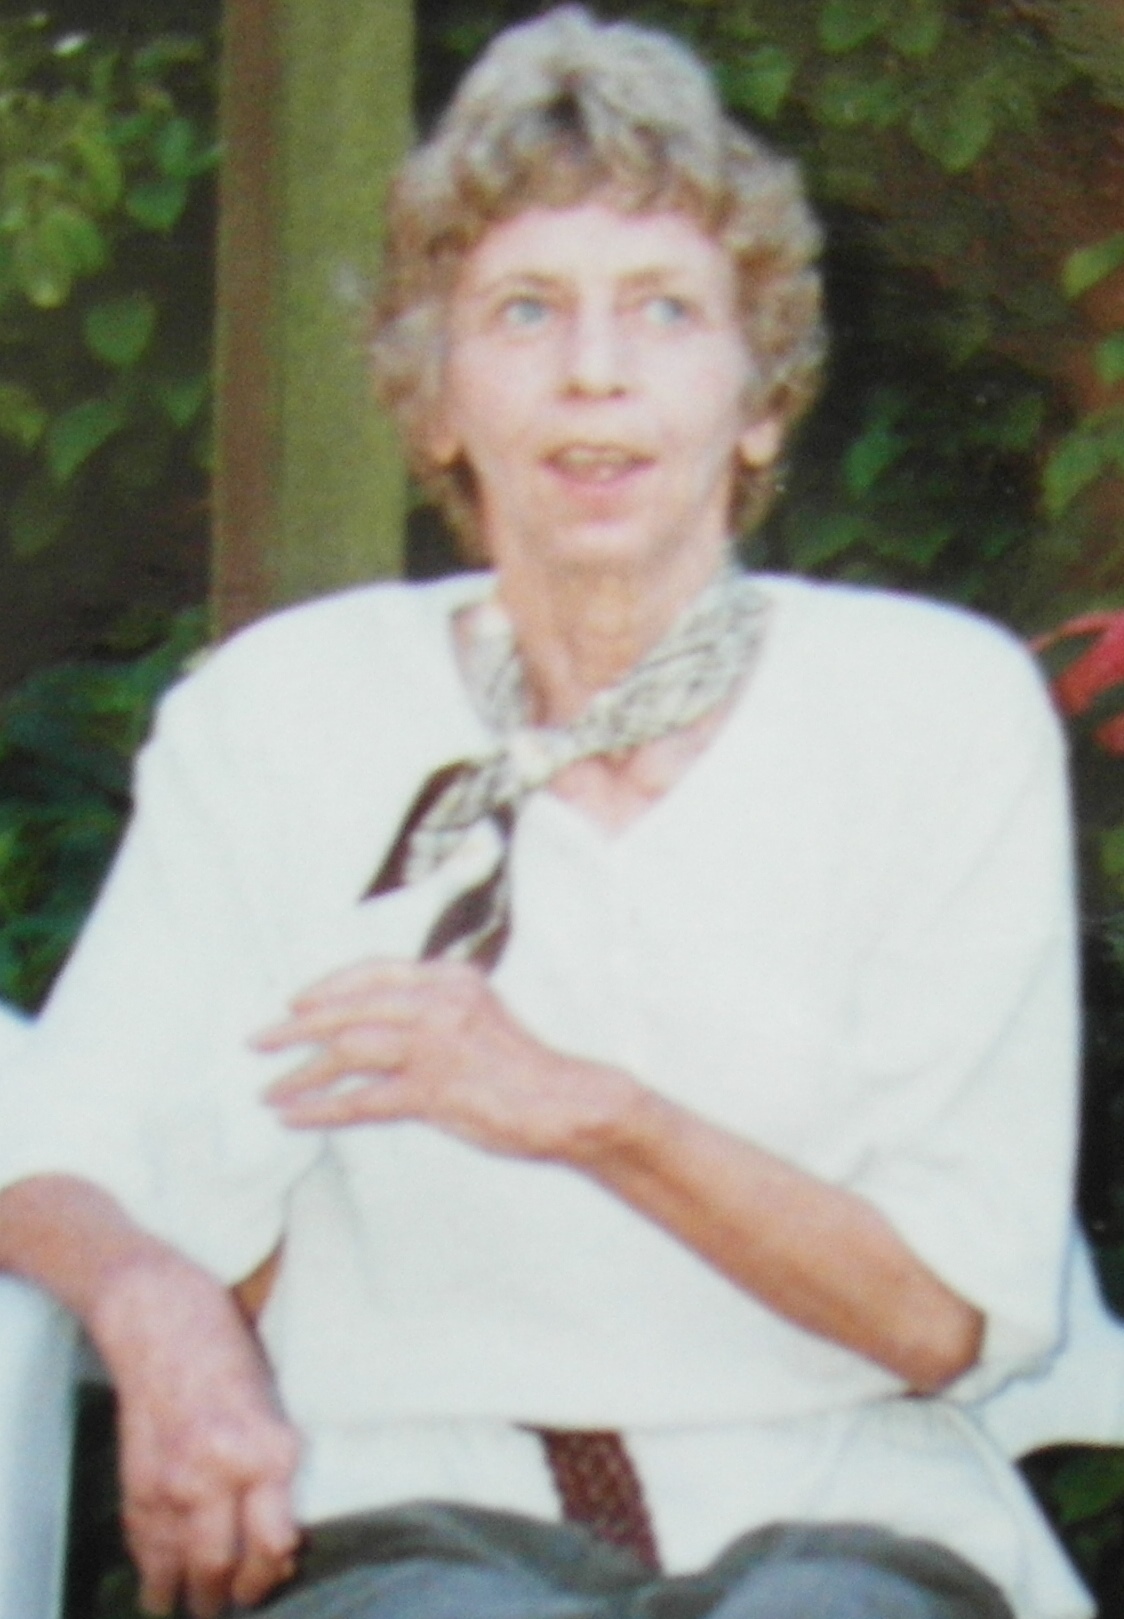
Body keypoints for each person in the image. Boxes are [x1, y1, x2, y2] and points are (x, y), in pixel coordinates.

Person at [0, 9, 1089, 1619]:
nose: (596, 368)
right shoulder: (284, 714)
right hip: (407, 1519)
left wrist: (583, 1111)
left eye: (665, 309)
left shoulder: (931, 713)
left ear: (762, 399)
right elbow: (53, 1133)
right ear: (434, 399)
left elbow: (939, 1319)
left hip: (845, 1512)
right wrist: (157, 1304)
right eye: (524, 310)